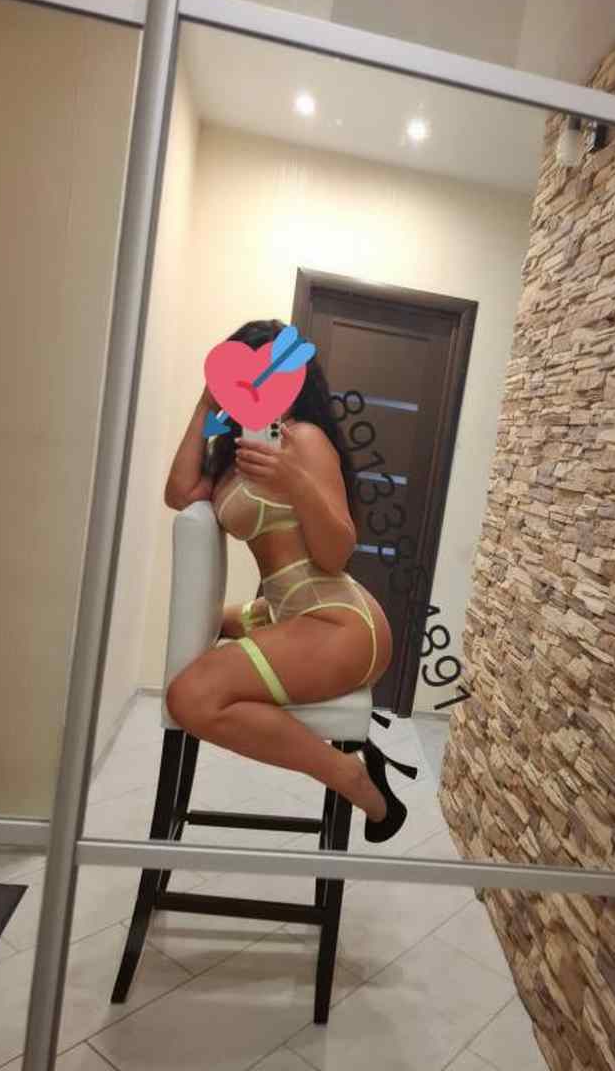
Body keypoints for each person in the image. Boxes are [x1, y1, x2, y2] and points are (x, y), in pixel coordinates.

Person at [163, 318, 415, 842]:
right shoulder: (234, 453)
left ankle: (353, 778)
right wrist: (204, 405)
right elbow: (179, 493)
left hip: (340, 623)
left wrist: (296, 482)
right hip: (283, 611)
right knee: (208, 632)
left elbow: (336, 553)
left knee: (189, 697)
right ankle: (351, 767)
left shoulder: (304, 440)